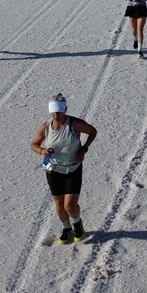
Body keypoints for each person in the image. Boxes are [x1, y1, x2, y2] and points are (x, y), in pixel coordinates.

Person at [30, 94, 98, 244]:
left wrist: (84, 149)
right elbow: (33, 144)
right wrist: (42, 151)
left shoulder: (74, 124)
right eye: (54, 111)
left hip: (72, 169)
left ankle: (77, 224)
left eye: (60, 111)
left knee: (69, 205)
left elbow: (93, 131)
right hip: (53, 169)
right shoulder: (45, 127)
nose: (56, 115)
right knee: (59, 206)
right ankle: (67, 230)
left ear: (65, 110)